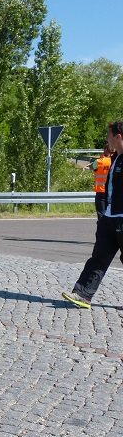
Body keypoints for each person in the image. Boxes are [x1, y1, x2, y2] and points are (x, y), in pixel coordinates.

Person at [62, 121, 123, 309]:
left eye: (109, 135)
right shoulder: (115, 159)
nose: (107, 139)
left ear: (118, 136)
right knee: (99, 257)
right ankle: (83, 295)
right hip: (109, 216)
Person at [85, 146, 113, 220]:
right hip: (111, 191)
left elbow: (91, 167)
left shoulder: (99, 161)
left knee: (101, 213)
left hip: (100, 191)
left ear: (105, 150)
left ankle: (102, 228)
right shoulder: (114, 161)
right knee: (110, 213)